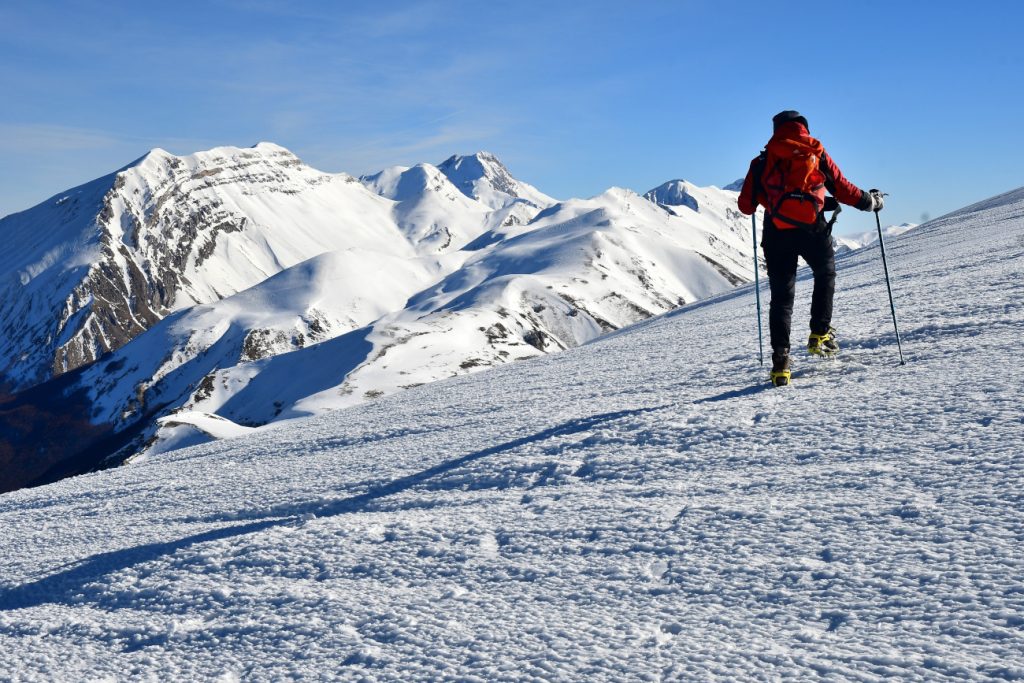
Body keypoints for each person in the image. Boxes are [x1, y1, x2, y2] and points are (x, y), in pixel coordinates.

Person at [738, 110, 884, 386]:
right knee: (825, 274)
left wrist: (767, 199)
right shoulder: (815, 152)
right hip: (812, 228)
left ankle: (780, 362)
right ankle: (820, 333)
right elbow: (841, 187)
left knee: (782, 297)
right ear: (804, 128)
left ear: (775, 129)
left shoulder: (761, 161)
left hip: (777, 231)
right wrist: (870, 202)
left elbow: (745, 207)